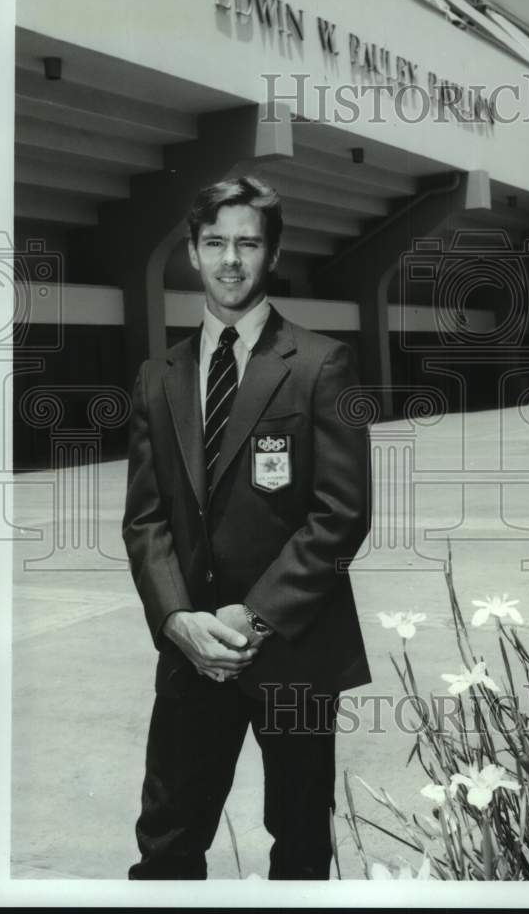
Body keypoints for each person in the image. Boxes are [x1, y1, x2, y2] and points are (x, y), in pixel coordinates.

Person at [122, 176, 371, 880]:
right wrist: (179, 621)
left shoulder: (323, 365)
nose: (231, 259)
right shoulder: (157, 377)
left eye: (248, 244)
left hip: (293, 651)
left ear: (272, 254)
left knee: (298, 847)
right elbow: (146, 519)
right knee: (167, 842)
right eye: (216, 243)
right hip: (191, 654)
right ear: (194, 255)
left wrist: (252, 619)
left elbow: (340, 515)